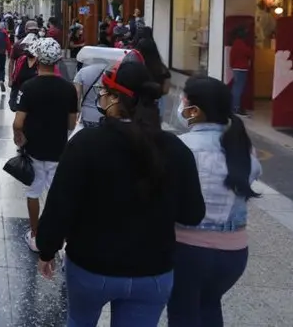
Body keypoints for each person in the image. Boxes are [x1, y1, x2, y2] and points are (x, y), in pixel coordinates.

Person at [35, 57, 205, 327]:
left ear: (115, 99)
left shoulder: (86, 144)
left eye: (103, 92)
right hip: (153, 271)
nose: (101, 98)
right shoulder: (174, 148)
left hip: (91, 266)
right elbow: (193, 212)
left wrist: (47, 249)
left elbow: (60, 206)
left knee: (79, 321)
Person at [167, 75, 262, 327]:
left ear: (194, 110)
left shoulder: (181, 146)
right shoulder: (243, 148)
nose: (180, 105)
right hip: (234, 254)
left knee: (182, 312)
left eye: (183, 100)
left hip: (188, 249)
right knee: (209, 306)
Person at [12, 38, 77, 251]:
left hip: (34, 149)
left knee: (33, 191)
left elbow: (18, 122)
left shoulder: (29, 87)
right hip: (58, 148)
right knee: (58, 193)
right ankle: (62, 236)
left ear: (38, 58)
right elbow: (71, 123)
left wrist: (18, 137)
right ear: (58, 59)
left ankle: (35, 234)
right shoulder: (68, 89)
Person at [73, 46, 109, 129]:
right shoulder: (110, 72)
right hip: (105, 115)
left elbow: (77, 96)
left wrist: (77, 112)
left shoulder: (82, 72)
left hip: (87, 115)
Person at [228, 28, 252, 116]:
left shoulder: (235, 44)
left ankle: (234, 107)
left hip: (236, 68)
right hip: (242, 68)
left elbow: (232, 58)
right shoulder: (241, 44)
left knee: (235, 88)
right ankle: (236, 108)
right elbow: (249, 53)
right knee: (239, 89)